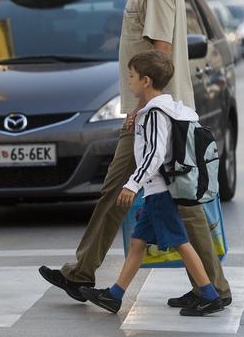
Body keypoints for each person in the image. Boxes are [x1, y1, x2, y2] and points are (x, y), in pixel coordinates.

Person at [38, 0, 232, 309]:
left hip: (156, 115)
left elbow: (160, 54)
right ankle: (82, 272)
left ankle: (214, 288)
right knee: (129, 192)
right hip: (148, 111)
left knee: (180, 201)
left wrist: (143, 108)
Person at [79, 51, 224, 317]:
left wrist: (132, 184)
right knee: (138, 243)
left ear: (146, 81)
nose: (129, 81)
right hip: (161, 189)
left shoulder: (155, 113)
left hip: (161, 190)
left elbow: (154, 154)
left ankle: (210, 294)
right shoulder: (176, 109)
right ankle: (114, 295)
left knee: (181, 242)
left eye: (132, 76)